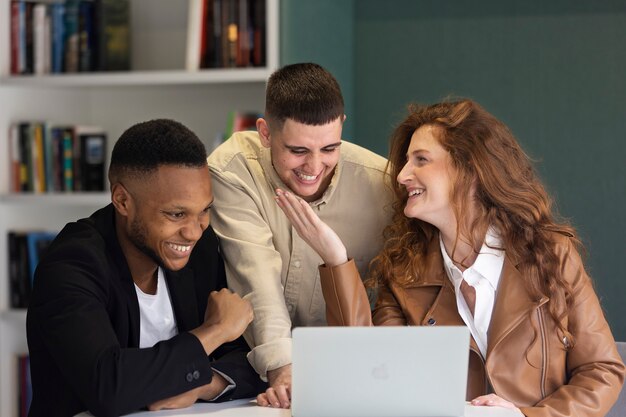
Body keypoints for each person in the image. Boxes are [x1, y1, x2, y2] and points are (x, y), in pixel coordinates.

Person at [274, 99, 626, 416]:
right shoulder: (403, 273)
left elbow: (602, 371)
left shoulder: (552, 254)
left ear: (470, 169)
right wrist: (336, 260)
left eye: (421, 160)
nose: (401, 175)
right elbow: (369, 374)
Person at [26, 119, 266, 417]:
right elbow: (109, 388)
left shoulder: (200, 249)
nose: (194, 231)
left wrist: (204, 384)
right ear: (122, 200)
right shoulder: (71, 265)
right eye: (176, 214)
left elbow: (256, 361)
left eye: (204, 210)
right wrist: (214, 330)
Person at [208, 62, 392, 407]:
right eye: (298, 151)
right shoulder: (232, 169)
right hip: (255, 371)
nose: (314, 167)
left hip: (354, 375)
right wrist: (285, 369)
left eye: (329, 149)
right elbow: (256, 274)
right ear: (265, 133)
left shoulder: (382, 184)